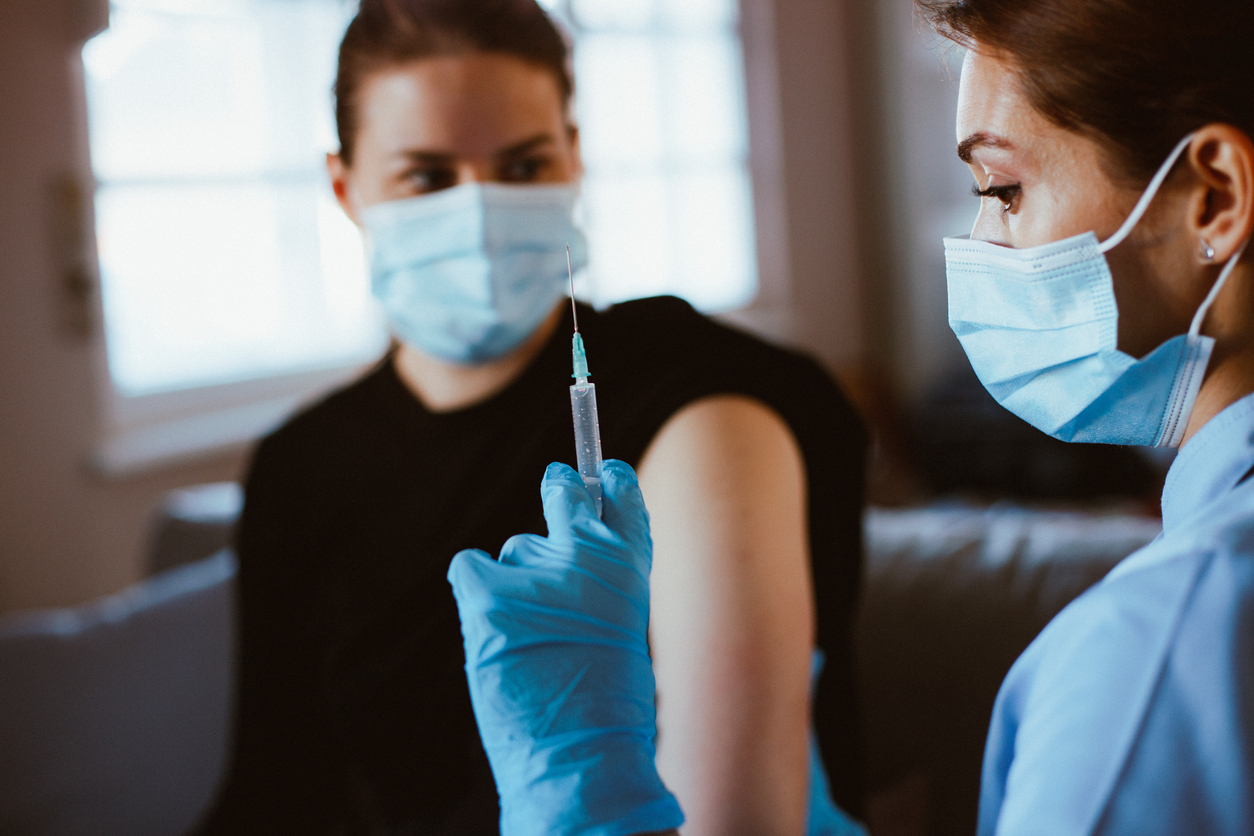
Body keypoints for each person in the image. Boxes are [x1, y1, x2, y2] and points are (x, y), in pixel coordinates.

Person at [448, 0, 1254, 833]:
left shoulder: (1155, 653)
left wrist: (580, 779)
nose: (980, 244)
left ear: (1214, 198)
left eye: (1003, 189)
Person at [197, 0, 867, 833]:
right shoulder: (300, 468)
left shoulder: (699, 396)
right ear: (346, 187)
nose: (477, 211)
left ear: (573, 160)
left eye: (522, 167)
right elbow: (277, 790)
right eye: (427, 176)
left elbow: (734, 820)